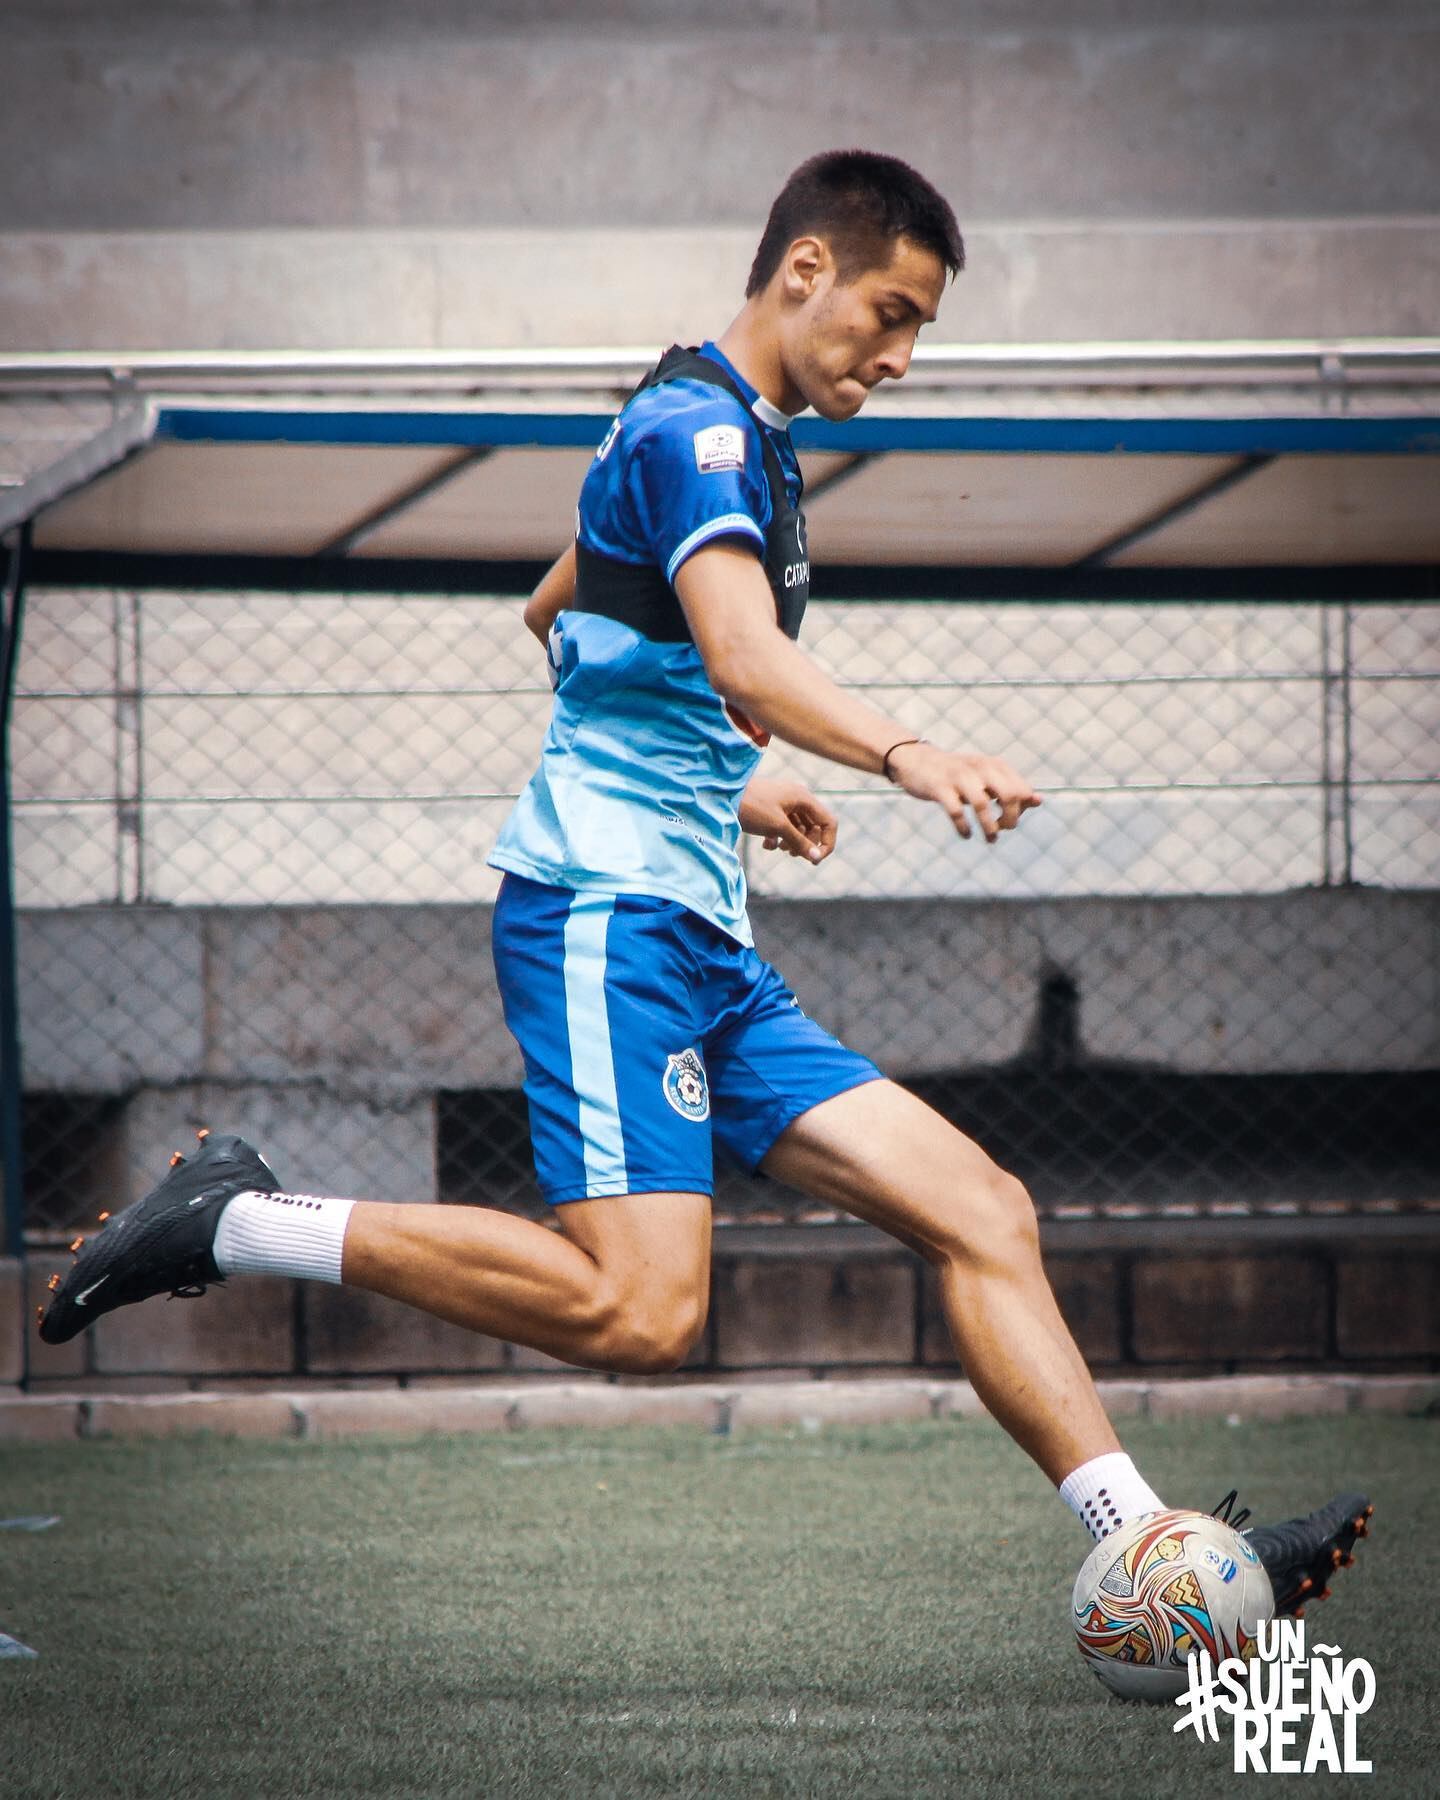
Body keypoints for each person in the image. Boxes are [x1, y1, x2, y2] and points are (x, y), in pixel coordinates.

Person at [40, 150, 1369, 1608]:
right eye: (891, 312)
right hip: (605, 919)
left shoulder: (721, 434)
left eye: (920, 328)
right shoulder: (701, 437)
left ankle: (1146, 1551)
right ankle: (232, 1220)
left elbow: (558, 611)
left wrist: (728, 778)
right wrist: (904, 749)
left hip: (704, 946)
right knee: (641, 1307)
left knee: (983, 1208)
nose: (904, 356)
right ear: (805, 271)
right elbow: (738, 657)